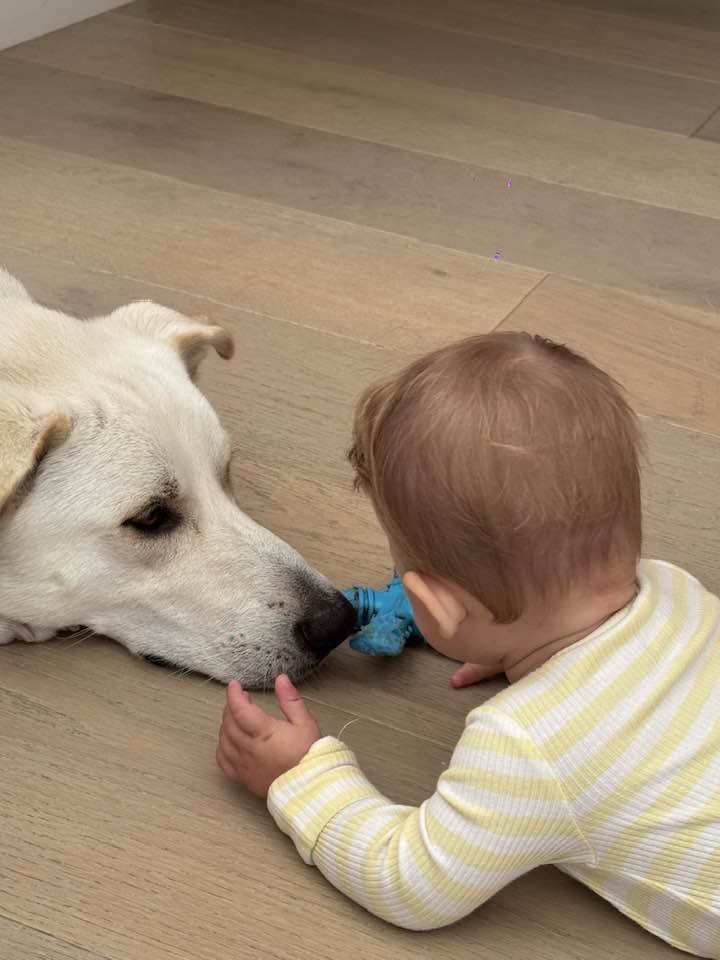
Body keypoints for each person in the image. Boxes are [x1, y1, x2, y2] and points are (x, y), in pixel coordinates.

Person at [216, 332, 720, 957]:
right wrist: (521, 643)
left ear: (436, 610)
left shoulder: (525, 746)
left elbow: (409, 882)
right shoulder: (678, 590)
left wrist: (299, 779)